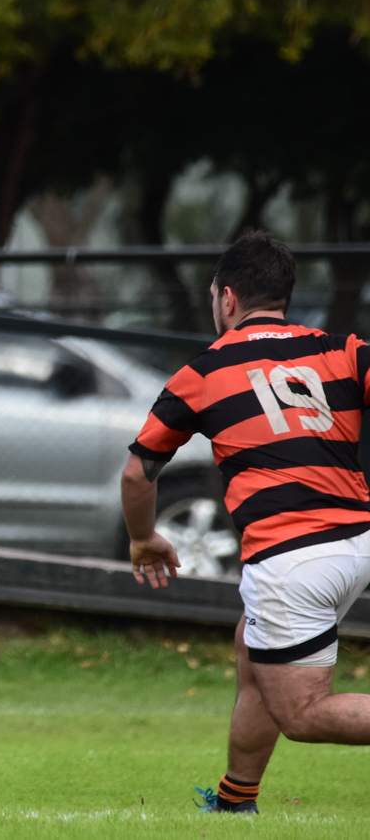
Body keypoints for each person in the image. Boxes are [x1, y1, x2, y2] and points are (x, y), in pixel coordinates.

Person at [123, 232, 370, 815]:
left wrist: (142, 538)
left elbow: (138, 474)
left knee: (304, 713)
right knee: (253, 652)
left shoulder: (203, 372)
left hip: (293, 555)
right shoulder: (345, 350)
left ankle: (237, 800)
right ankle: (236, 801)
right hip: (357, 541)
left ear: (227, 299)